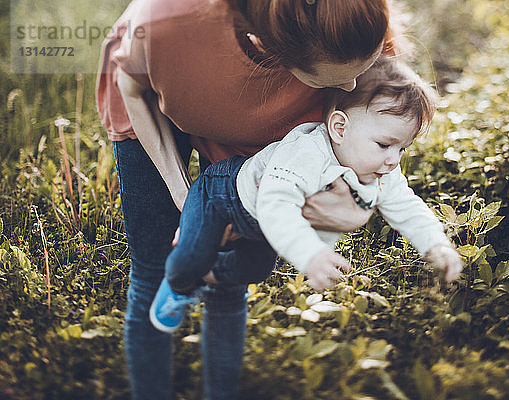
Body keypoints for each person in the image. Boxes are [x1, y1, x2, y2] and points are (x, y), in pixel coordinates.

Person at [96, 0, 398, 399]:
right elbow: (131, 87)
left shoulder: (356, 23)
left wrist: (355, 203)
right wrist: (183, 195)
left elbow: (382, 126)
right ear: (277, 49)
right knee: (155, 269)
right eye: (332, 80)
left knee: (229, 275)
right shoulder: (166, 19)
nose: (349, 89)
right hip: (156, 88)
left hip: (254, 120)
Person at [150, 55, 463, 335]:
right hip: (223, 196)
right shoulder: (306, 154)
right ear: (339, 128)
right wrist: (311, 254)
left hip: (263, 225)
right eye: (384, 145)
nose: (394, 159)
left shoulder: (384, 170)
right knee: (188, 261)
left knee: (253, 270)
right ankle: (179, 283)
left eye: (402, 148)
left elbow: (407, 207)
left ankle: (207, 276)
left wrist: (436, 244)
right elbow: (275, 205)